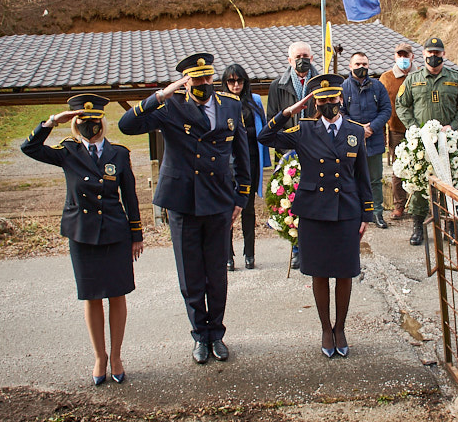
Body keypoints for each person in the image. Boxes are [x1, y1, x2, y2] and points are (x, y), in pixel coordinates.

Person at [118, 53, 250, 365]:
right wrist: (161, 94)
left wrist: (241, 198)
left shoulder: (230, 105)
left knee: (217, 273)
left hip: (218, 199)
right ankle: (199, 335)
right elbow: (127, 125)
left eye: (208, 78)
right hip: (183, 200)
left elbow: (242, 154)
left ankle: (217, 333)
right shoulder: (171, 105)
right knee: (190, 275)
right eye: (197, 79)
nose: (204, 84)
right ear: (186, 81)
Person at [20, 94, 143, 386]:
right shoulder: (67, 152)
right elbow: (29, 148)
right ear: (76, 123)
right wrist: (52, 122)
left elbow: (131, 197)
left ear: (102, 121)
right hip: (82, 234)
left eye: (95, 120)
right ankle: (99, 356)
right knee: (91, 296)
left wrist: (136, 235)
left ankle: (116, 356)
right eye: (84, 121)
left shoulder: (119, 154)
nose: (91, 126)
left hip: (115, 233)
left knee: (117, 294)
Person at [258, 74, 371, 359]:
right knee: (319, 273)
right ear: (315, 104)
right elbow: (265, 136)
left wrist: (366, 214)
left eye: (332, 99)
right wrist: (289, 112)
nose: (328, 104)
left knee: (345, 272)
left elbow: (362, 177)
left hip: (345, 210)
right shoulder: (304, 129)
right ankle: (325, 328)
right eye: (322, 100)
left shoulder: (355, 131)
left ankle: (341, 328)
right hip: (313, 212)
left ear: (341, 99)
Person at [395, 37, 458, 246]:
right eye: (429, 53)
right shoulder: (413, 79)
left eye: (437, 53)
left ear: (443, 55)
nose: (433, 57)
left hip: (447, 142)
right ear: (423, 54)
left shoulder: (455, 78)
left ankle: (450, 226)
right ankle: (418, 227)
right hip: (421, 144)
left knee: (450, 183)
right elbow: (401, 105)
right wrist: (413, 128)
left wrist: (454, 126)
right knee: (420, 185)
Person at [266, 41, 319, 269]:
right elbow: (272, 121)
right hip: (289, 150)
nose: (302, 59)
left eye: (306, 55)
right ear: (289, 60)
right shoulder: (277, 86)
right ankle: (297, 248)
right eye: (298, 56)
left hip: (317, 150)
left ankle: (316, 246)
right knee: (292, 200)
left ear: (312, 58)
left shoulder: (321, 83)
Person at [221, 64, 270, 271]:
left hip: (250, 162)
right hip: (226, 165)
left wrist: (265, 160)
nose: (235, 85)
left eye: (239, 81)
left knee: (247, 209)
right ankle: (227, 255)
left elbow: (264, 130)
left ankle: (249, 254)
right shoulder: (219, 103)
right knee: (226, 210)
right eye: (231, 81)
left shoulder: (255, 101)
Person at [341, 52, 391, 229]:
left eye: (364, 64)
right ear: (350, 66)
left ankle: (377, 212)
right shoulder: (343, 88)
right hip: (352, 142)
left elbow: (386, 110)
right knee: (352, 178)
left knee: (375, 180)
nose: (361, 67)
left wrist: (372, 127)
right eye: (357, 64)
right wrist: (358, 129)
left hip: (374, 140)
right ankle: (355, 212)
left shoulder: (378, 87)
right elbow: (341, 114)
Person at [379, 42, 419, 221]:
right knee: (398, 169)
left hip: (420, 128)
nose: (403, 59)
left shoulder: (420, 75)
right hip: (396, 129)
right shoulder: (386, 78)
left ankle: (419, 204)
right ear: (395, 57)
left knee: (420, 166)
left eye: (406, 55)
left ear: (412, 57)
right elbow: (381, 104)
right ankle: (399, 205)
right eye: (399, 55)